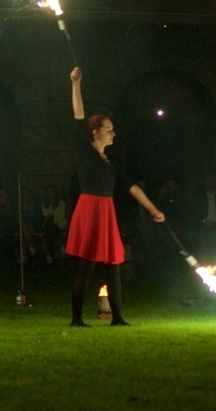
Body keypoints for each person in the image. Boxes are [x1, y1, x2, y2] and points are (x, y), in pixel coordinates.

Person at [67, 67, 165, 326]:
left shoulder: (110, 161)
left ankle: (118, 318)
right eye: (108, 129)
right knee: (86, 267)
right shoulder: (85, 150)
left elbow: (132, 187)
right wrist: (76, 84)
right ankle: (76, 319)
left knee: (112, 265)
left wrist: (153, 210)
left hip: (106, 211)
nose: (113, 133)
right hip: (90, 208)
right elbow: (79, 116)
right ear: (95, 132)